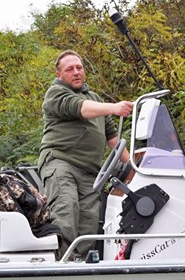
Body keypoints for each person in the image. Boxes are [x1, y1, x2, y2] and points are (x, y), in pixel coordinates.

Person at [38, 50, 133, 260]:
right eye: (69, 69)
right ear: (59, 74)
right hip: (61, 163)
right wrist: (114, 108)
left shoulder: (94, 98)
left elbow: (113, 140)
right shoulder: (56, 93)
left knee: (89, 224)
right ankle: (58, 268)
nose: (76, 72)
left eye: (79, 67)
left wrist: (135, 167)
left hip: (91, 173)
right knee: (66, 213)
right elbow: (80, 108)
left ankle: (78, 269)